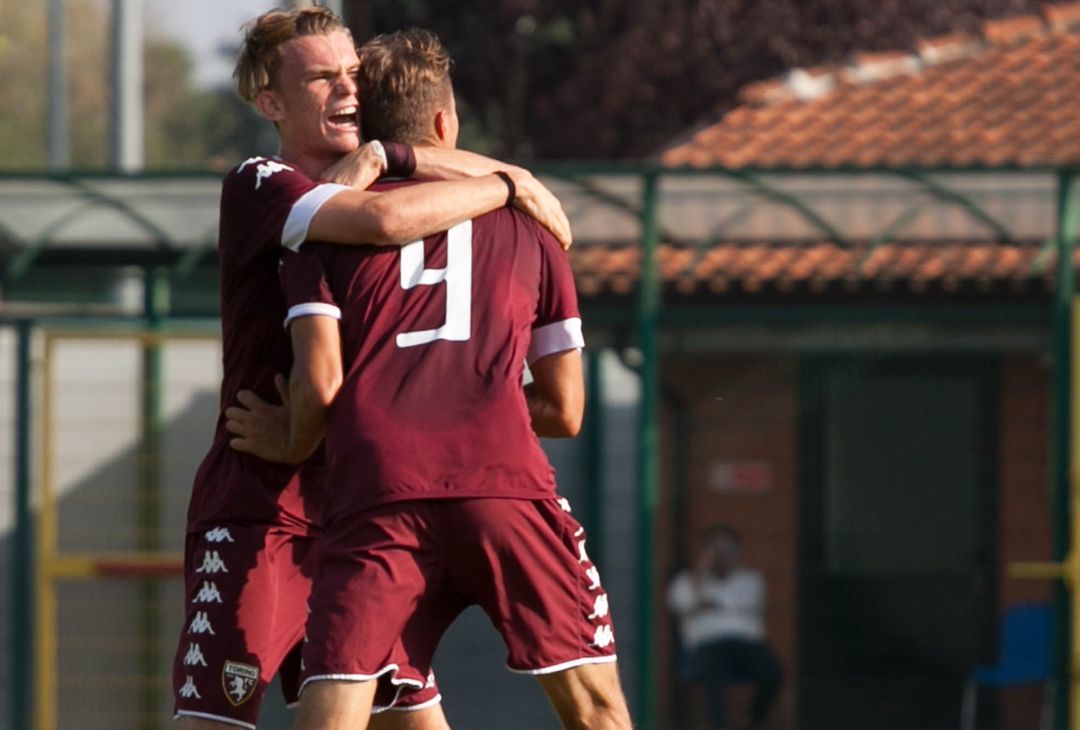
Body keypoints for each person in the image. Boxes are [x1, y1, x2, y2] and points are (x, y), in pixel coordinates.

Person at [172, 8, 574, 730]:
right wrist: (513, 189)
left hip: (359, 512)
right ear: (271, 102)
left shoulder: (394, 178)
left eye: (352, 72)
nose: (346, 90)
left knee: (410, 719)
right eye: (321, 78)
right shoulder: (263, 183)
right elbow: (380, 224)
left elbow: (415, 179)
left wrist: (485, 172)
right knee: (215, 721)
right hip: (264, 507)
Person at [666, 525, 783, 730]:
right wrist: (701, 573)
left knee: (773, 672)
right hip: (707, 645)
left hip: (747, 645)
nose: (723, 555)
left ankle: (753, 721)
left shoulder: (750, 579)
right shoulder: (686, 581)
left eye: (729, 548)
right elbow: (679, 605)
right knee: (713, 672)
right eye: (717, 549)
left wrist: (709, 605)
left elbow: (749, 603)